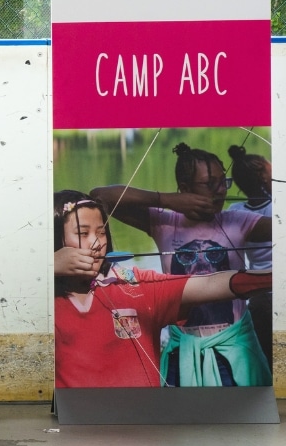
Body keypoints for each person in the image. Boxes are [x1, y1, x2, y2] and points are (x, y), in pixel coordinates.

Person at [91, 142, 271, 385]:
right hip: (183, 351)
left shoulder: (238, 221)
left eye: (223, 182)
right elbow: (99, 197)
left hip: (233, 349)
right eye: (210, 184)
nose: (220, 190)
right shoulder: (164, 222)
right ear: (185, 189)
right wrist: (168, 200)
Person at [53, 191, 272, 388]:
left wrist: (274, 277)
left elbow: (209, 284)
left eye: (101, 232)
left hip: (144, 417)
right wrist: (48, 266)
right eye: (83, 233)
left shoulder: (134, 284)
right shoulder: (42, 295)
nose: (95, 243)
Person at [226, 143, 273, 365]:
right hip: (277, 292)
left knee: (266, 355)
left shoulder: (235, 212)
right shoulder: (278, 206)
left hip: (257, 295)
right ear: (264, 177)